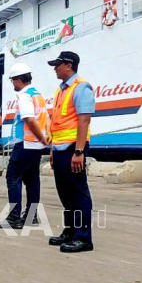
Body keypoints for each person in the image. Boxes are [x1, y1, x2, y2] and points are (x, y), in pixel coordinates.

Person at [46, 51, 95, 253]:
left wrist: (79, 151)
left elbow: (84, 120)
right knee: (65, 193)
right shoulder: (60, 90)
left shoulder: (81, 87)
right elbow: (57, 123)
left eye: (57, 65)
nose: (55, 69)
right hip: (59, 148)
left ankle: (83, 238)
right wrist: (51, 149)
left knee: (78, 193)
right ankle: (70, 232)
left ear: (69, 65)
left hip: (73, 148)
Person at [0, 62, 50, 229]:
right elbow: (44, 118)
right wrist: (44, 140)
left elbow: (29, 119)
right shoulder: (37, 94)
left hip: (25, 144)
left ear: (18, 80)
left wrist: (41, 138)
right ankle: (31, 216)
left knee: (13, 178)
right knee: (32, 180)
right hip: (35, 146)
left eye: (13, 81)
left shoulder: (24, 95)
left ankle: (14, 217)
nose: (13, 84)